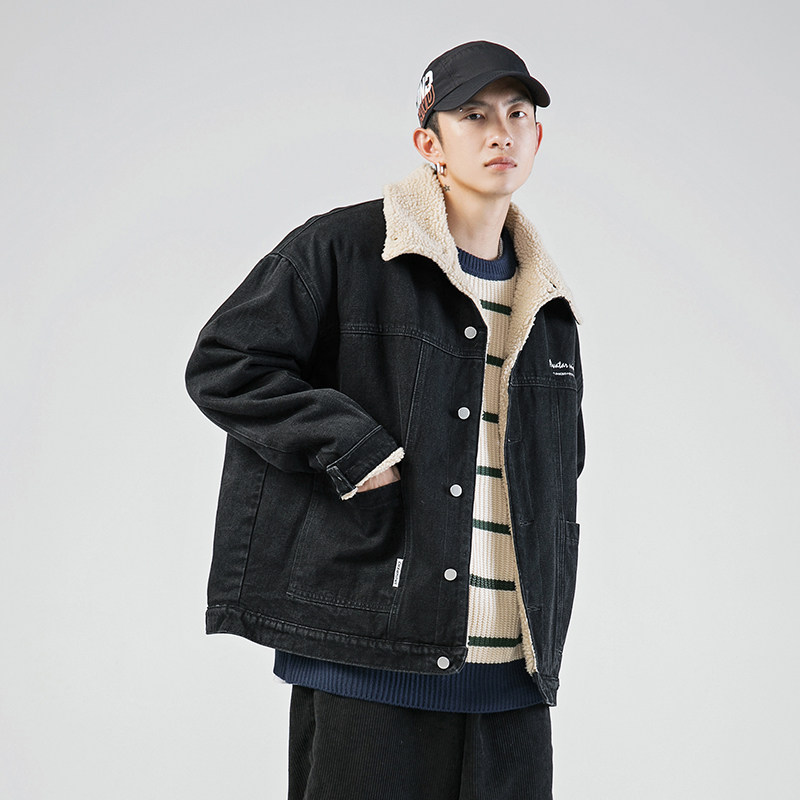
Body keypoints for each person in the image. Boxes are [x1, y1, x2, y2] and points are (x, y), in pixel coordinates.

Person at [186, 40, 585, 800]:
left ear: (537, 137)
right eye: (474, 116)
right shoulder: (343, 249)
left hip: (513, 674)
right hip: (372, 654)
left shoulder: (549, 307)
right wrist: (351, 446)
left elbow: (559, 474)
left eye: (516, 114)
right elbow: (227, 362)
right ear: (429, 144)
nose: (500, 132)